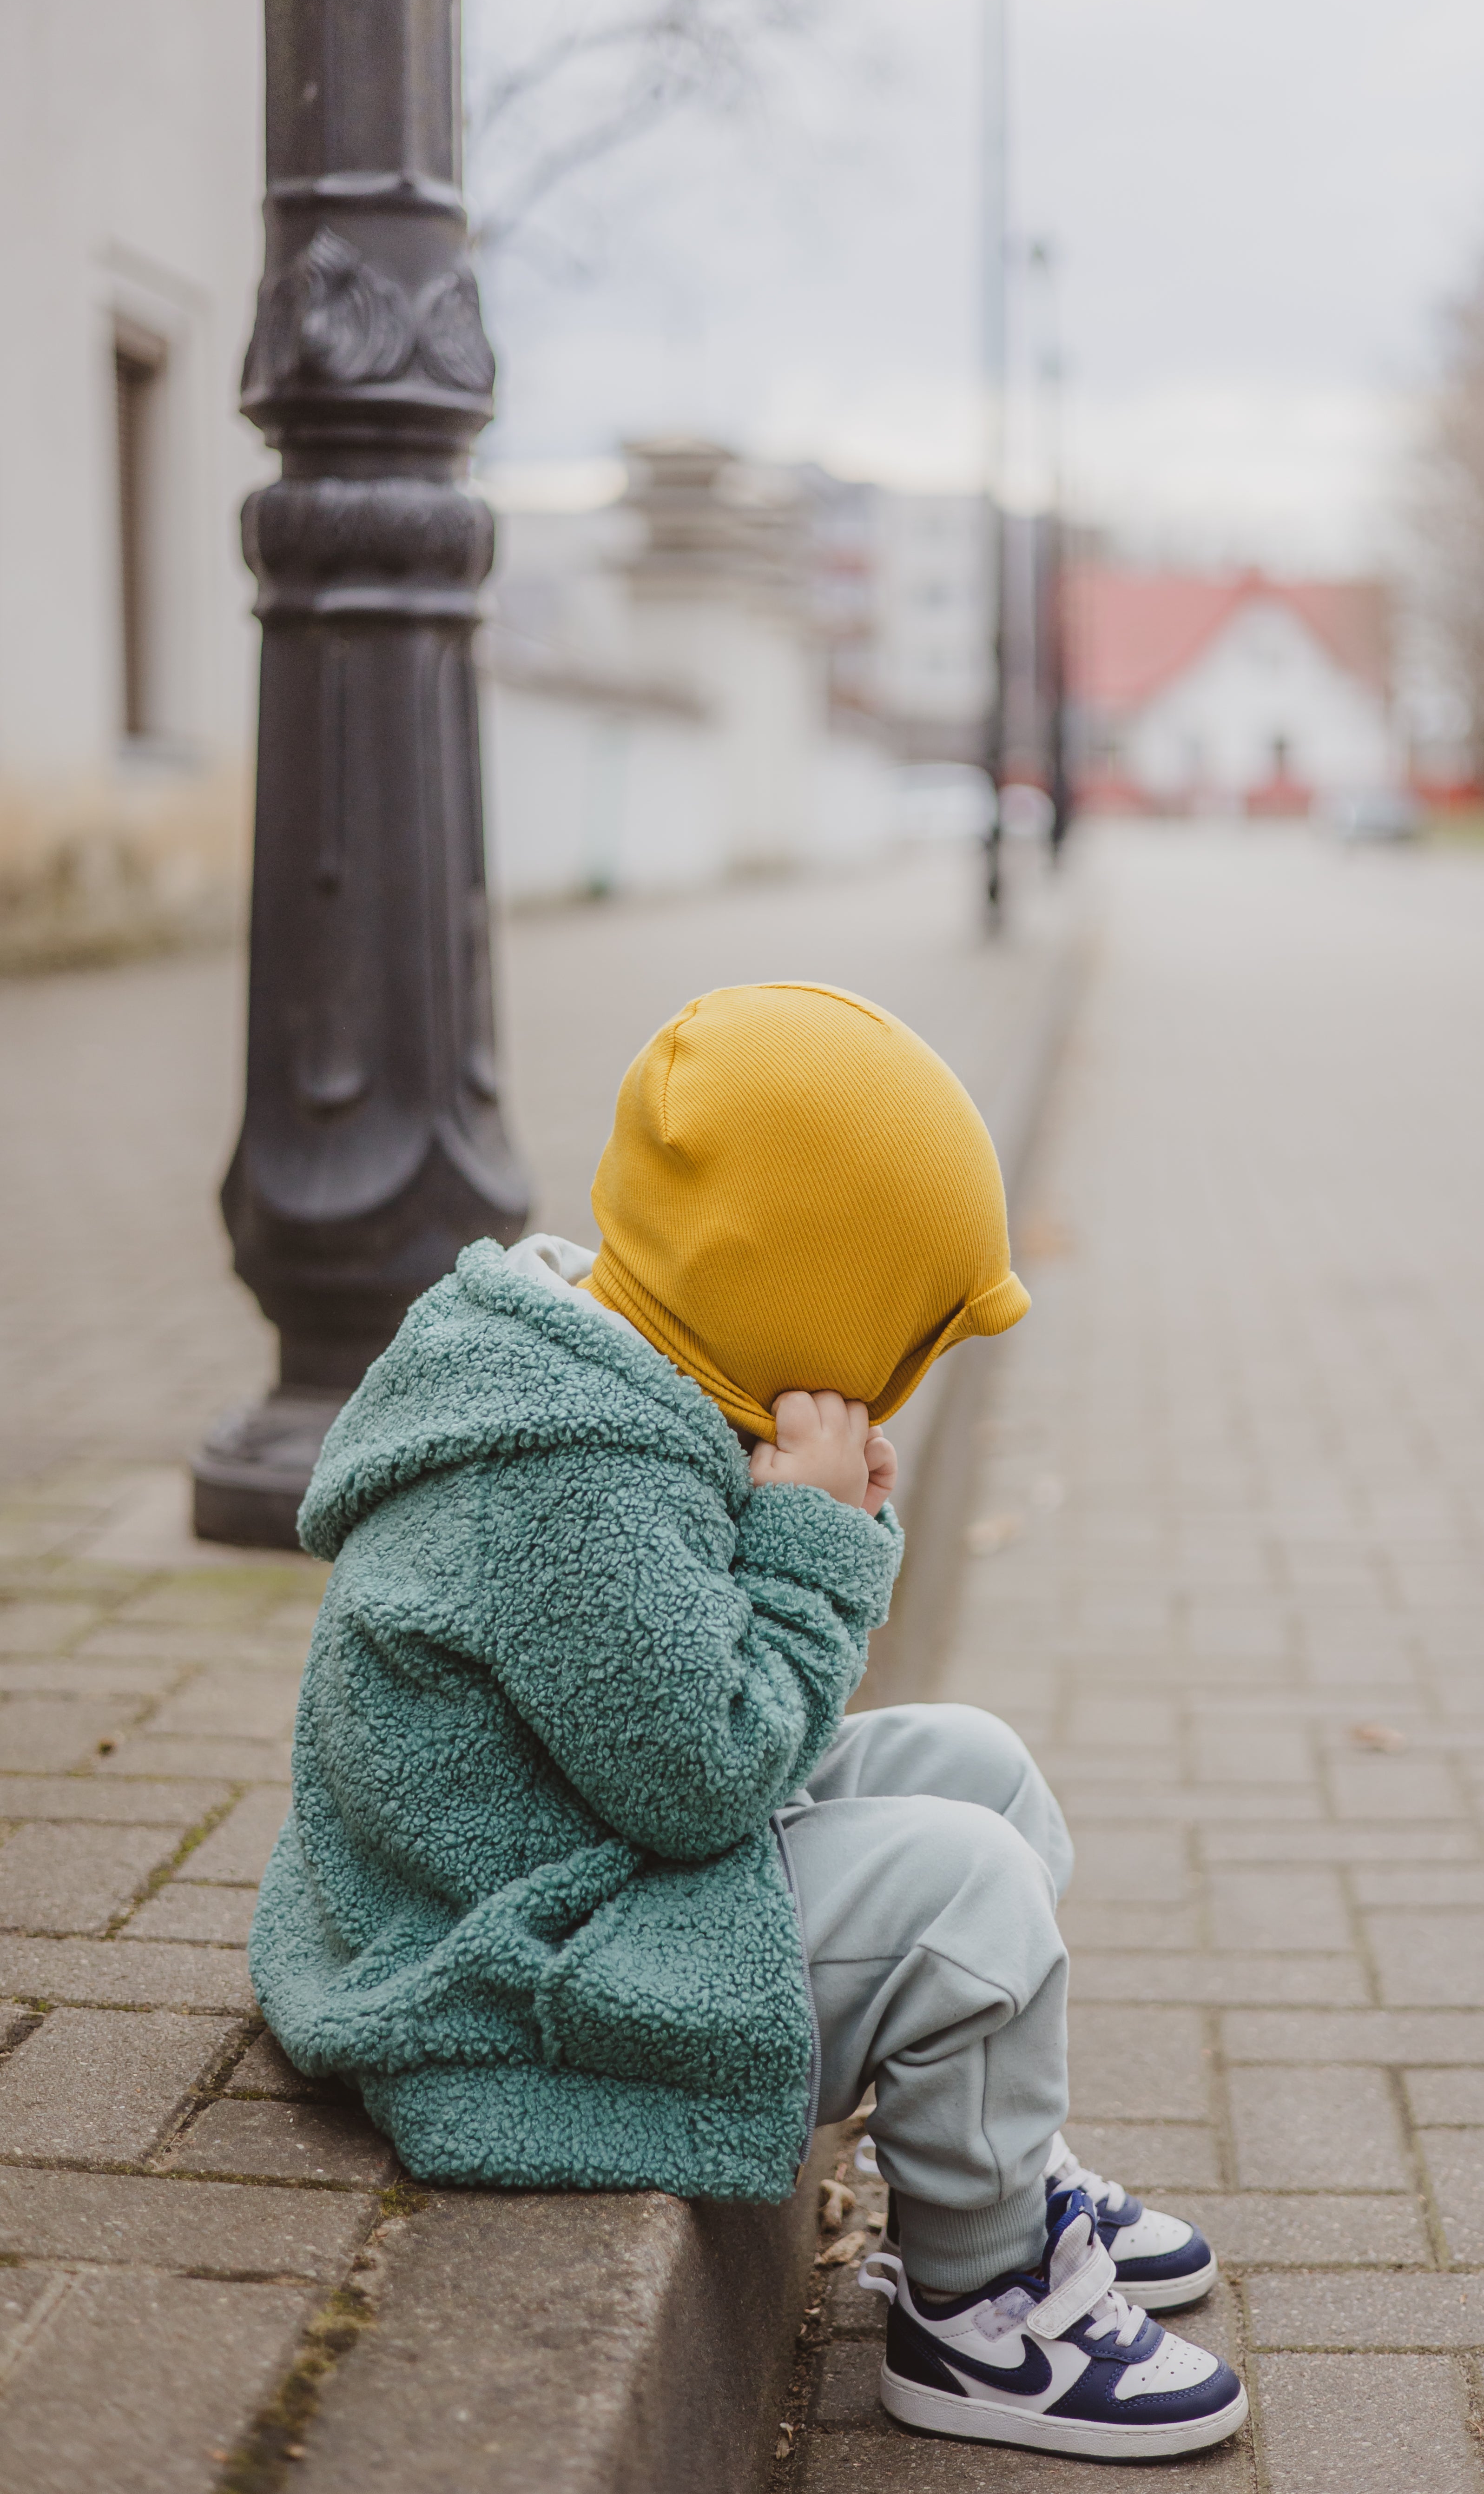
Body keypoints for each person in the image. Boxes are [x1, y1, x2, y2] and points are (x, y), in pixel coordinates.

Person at [250, 981, 1246, 2463]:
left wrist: (799, 1523)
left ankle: (995, 2167)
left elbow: (680, 1717)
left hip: (577, 1843)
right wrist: (811, 1549)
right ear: (803, 1291)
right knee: (961, 1900)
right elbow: (704, 1780)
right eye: (897, 1329)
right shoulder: (568, 1478)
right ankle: (979, 2307)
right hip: (510, 1952)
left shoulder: (614, 1354)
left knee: (977, 1764)